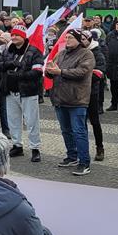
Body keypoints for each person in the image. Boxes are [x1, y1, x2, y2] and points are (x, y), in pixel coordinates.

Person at [46, 29, 95, 175]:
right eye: (66, 37)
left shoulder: (87, 54)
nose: (67, 40)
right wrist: (49, 70)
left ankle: (84, 162)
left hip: (77, 99)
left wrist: (60, 72)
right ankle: (72, 156)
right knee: (66, 130)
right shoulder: (61, 53)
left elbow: (82, 72)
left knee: (79, 131)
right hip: (60, 98)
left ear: (79, 40)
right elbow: (52, 70)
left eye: (70, 37)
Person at [0, 27, 44, 162]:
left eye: (17, 35)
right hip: (10, 91)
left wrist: (19, 75)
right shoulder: (8, 50)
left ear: (24, 36)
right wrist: (9, 64)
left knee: (31, 121)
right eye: (13, 35)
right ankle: (17, 145)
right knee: (13, 121)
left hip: (28, 91)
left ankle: (35, 148)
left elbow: (37, 71)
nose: (14, 37)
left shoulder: (34, 51)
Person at [83, 32, 107, 161]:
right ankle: (82, 148)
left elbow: (99, 73)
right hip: (78, 93)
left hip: (92, 92)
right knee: (80, 123)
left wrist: (80, 75)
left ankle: (100, 147)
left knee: (94, 121)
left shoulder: (97, 53)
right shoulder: (77, 51)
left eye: (83, 39)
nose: (81, 41)